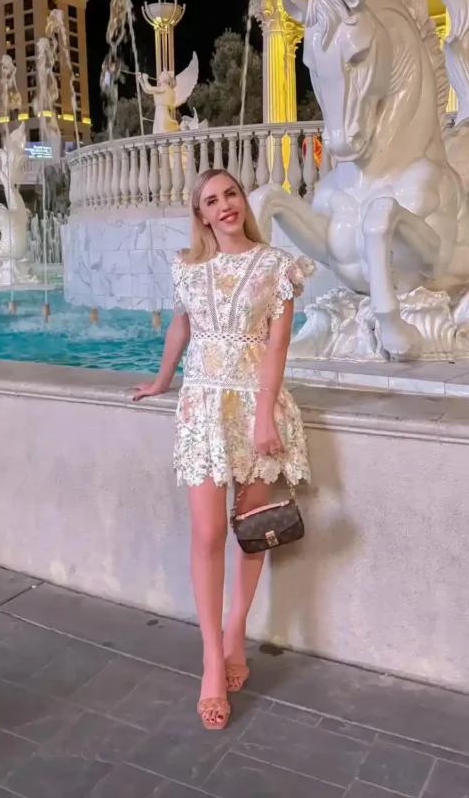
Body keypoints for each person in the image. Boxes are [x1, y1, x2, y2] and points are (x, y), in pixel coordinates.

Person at [133, 168, 313, 730]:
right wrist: (163, 381)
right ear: (202, 215)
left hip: (255, 409)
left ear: (241, 201)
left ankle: (237, 629)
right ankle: (213, 656)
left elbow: (278, 343)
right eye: (212, 201)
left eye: (230, 194)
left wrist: (264, 416)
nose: (225, 205)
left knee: (250, 529)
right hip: (202, 409)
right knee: (208, 534)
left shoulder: (278, 266)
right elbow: (180, 330)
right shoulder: (189, 269)